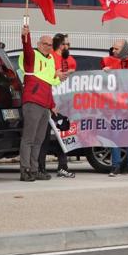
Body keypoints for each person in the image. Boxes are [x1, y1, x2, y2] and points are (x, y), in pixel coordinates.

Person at [17, 26, 61, 182]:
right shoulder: (32, 57)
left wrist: (52, 104)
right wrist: (25, 37)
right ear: (39, 44)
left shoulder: (49, 60)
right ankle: (25, 170)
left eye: (50, 44)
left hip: (44, 105)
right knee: (29, 138)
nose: (48, 47)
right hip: (33, 102)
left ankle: (34, 170)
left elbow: (48, 84)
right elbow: (27, 48)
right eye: (45, 44)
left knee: (39, 140)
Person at [101, 39, 128, 177]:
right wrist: (103, 73)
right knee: (115, 136)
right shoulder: (108, 62)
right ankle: (115, 166)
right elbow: (101, 82)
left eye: (116, 49)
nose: (113, 51)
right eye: (113, 48)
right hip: (115, 106)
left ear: (125, 49)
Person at [43, 33, 76, 178]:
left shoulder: (71, 60)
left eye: (68, 44)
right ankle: (40, 167)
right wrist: (58, 74)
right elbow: (48, 76)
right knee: (43, 137)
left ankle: (63, 167)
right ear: (60, 45)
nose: (68, 46)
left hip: (64, 104)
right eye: (66, 44)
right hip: (50, 102)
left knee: (63, 135)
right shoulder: (50, 57)